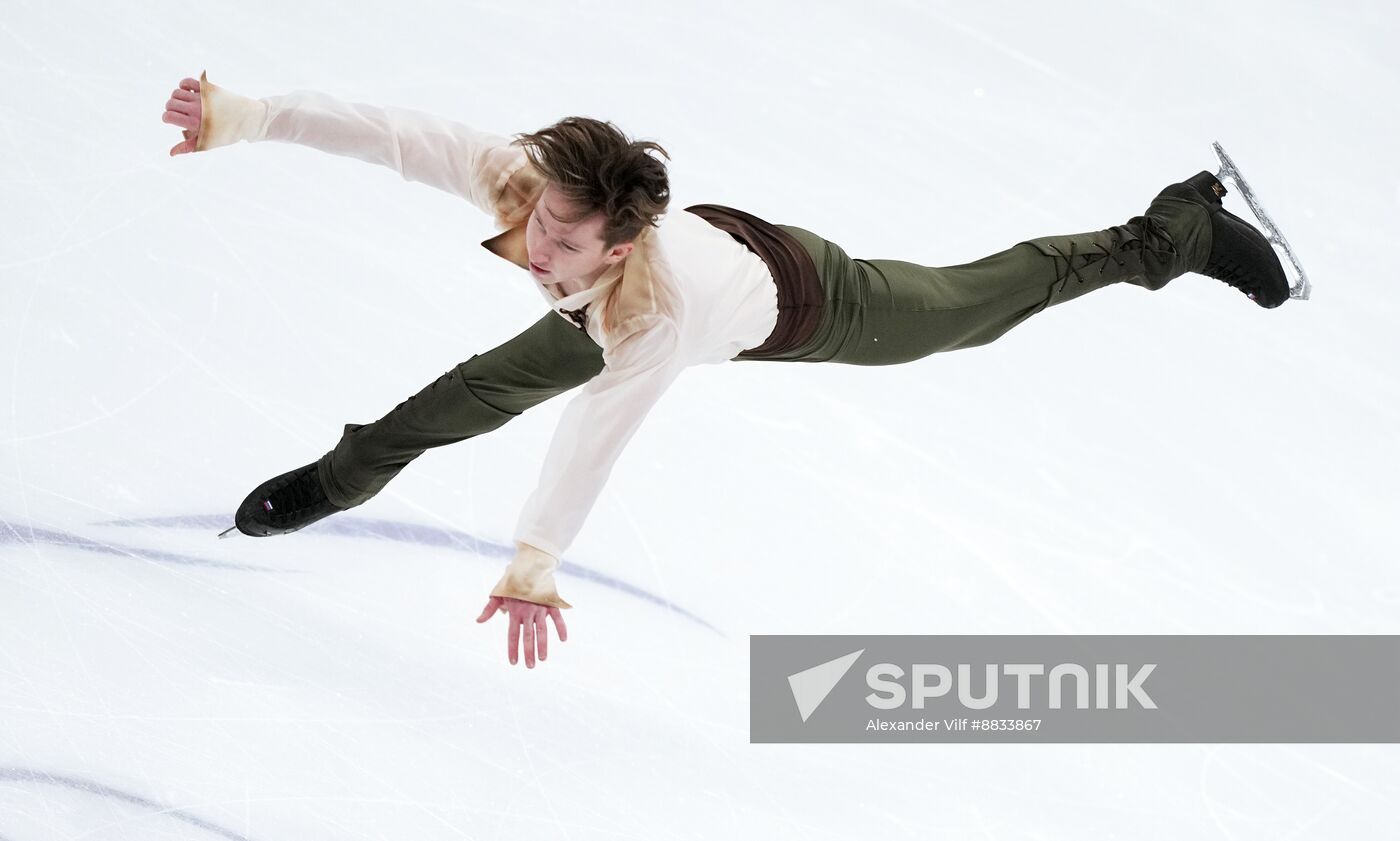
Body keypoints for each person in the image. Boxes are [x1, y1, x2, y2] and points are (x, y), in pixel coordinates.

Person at [162, 72, 1292, 669]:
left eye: (564, 239)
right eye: (542, 222)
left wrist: (534, 554)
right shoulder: (533, 194)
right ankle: (333, 481)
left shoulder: (647, 318)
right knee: (461, 397)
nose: (537, 246)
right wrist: (248, 115)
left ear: (617, 244)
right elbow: (398, 136)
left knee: (970, 308)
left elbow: (596, 431)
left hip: (810, 299)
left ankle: (1170, 236)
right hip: (693, 255)